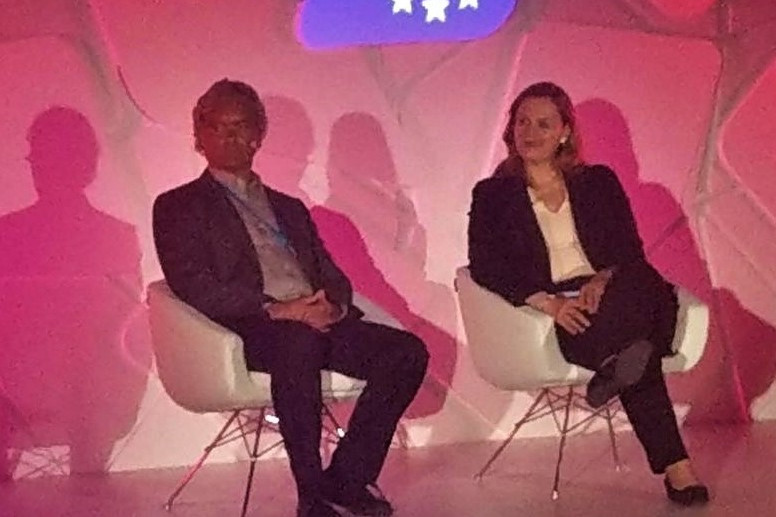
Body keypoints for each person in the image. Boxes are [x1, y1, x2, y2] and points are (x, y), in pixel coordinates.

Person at [152, 79, 428, 517]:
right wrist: (278, 310)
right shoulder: (178, 205)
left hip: (314, 317)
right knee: (296, 343)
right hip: (252, 327)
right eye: (217, 127)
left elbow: (330, 273)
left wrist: (331, 307)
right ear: (199, 136)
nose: (229, 137)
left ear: (258, 135)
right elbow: (191, 283)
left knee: (406, 352)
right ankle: (311, 495)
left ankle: (347, 479)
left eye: (240, 126)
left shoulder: (290, 207)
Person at [467, 82, 709, 506]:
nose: (530, 132)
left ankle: (619, 366)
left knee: (638, 282)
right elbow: (484, 266)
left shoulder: (598, 181)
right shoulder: (492, 195)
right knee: (638, 351)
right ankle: (676, 467)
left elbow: (629, 251)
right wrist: (548, 303)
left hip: (618, 292)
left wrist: (603, 278)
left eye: (544, 123)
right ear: (510, 130)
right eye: (522, 122)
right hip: (569, 311)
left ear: (564, 131)